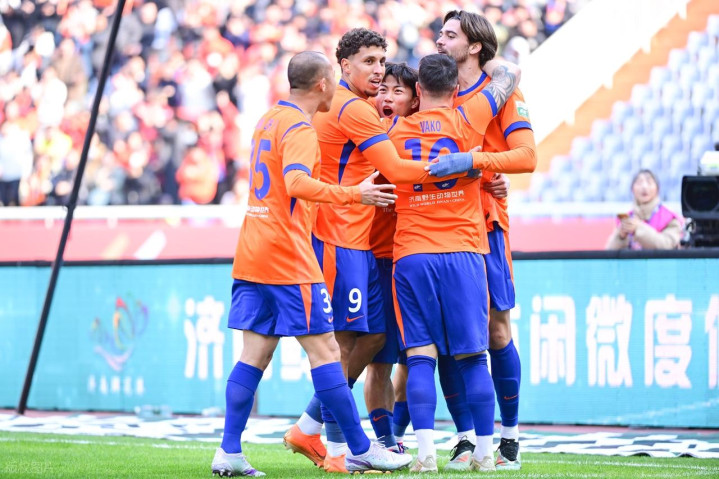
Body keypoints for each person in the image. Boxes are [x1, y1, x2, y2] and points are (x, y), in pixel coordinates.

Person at [210, 50, 413, 477]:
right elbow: (297, 182)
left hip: (252, 250)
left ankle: (228, 452)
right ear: (322, 84)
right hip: (287, 255)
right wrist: (355, 194)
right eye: (333, 81)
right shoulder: (301, 127)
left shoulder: (268, 119)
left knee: (254, 355)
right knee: (327, 352)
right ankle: (361, 448)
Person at [283, 28, 476, 473]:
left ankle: (311, 425)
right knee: (341, 344)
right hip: (338, 236)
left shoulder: (355, 107)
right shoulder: (353, 110)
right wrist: (465, 167)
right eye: (368, 62)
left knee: (369, 338)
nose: (377, 71)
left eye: (381, 62)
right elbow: (396, 169)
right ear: (343, 66)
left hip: (356, 239)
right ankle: (338, 448)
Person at [388, 53, 520, 473]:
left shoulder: (394, 131)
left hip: (413, 252)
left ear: (418, 91)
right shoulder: (471, 116)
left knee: (420, 357)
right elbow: (509, 75)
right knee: (474, 357)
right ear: (456, 89)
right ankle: (485, 453)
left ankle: (425, 453)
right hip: (464, 251)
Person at [431, 9, 538, 471]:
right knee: (449, 337)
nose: (439, 40)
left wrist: (479, 162)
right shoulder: (432, 90)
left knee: (497, 331)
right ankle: (465, 438)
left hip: (486, 224)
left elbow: (527, 156)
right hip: (437, 226)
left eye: (450, 35)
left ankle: (509, 439)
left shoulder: (503, 91)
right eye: (440, 33)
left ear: (475, 46)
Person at [605, 169, 682, 250]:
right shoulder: (627, 218)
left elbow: (667, 246)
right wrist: (621, 236)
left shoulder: (669, 217)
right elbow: (609, 252)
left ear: (657, 189)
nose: (644, 187)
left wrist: (638, 228)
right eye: (639, 183)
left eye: (649, 183)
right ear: (632, 189)